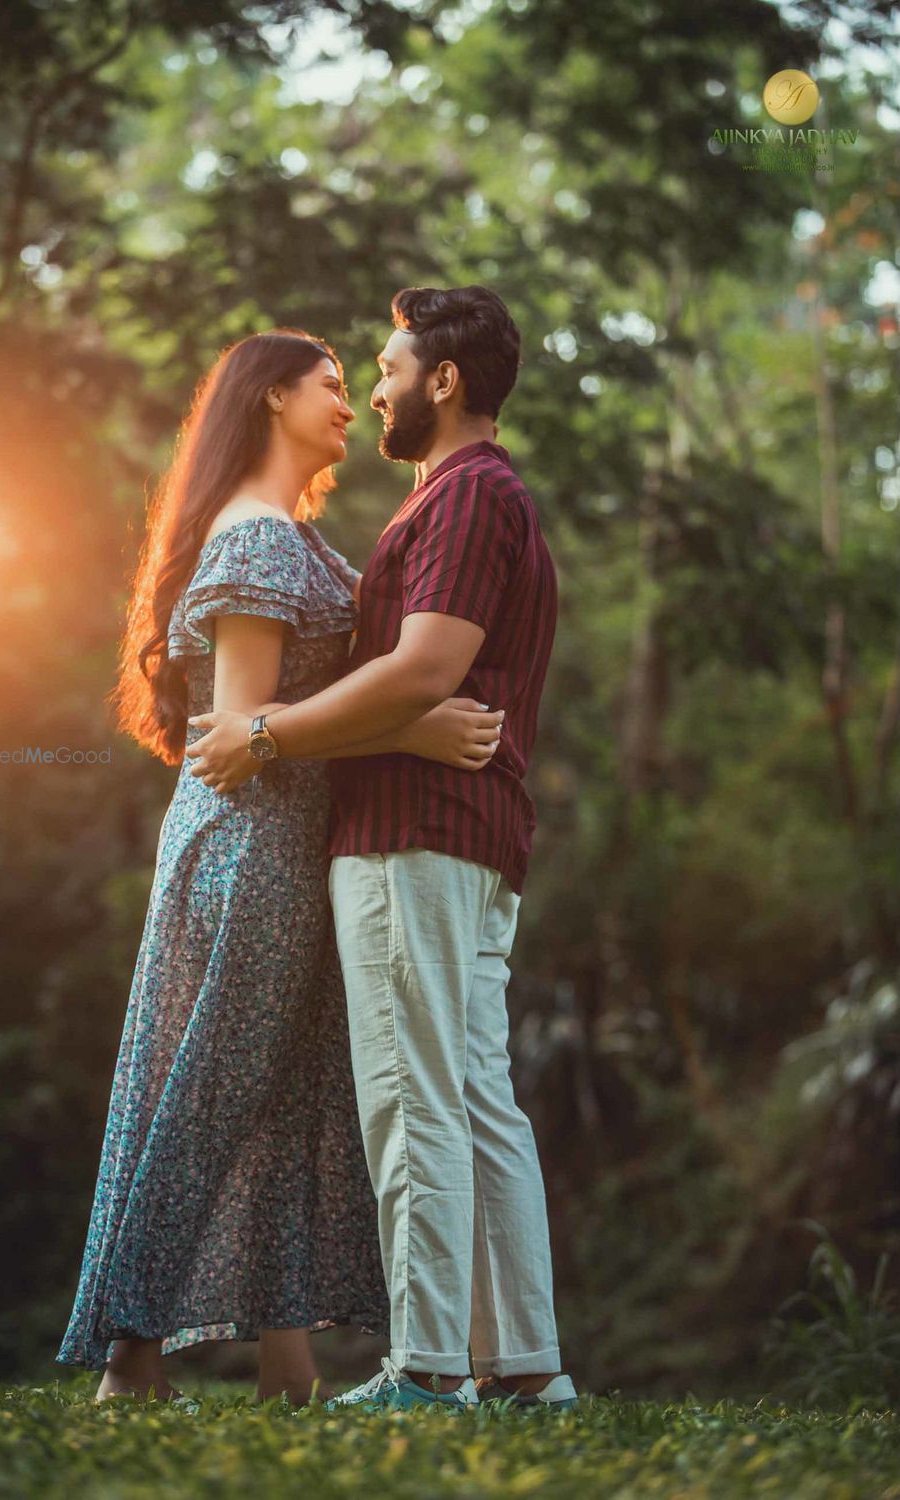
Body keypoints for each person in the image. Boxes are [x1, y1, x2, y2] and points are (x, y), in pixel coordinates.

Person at [54, 327, 504, 1406]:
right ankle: (130, 1359)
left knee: (290, 1096)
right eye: (331, 386)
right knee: (208, 1092)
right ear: (269, 401)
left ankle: (288, 1366)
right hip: (248, 844)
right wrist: (410, 732)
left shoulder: (292, 538)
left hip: (296, 845)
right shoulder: (255, 540)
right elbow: (246, 728)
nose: (350, 406)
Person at [187, 286, 579, 1414]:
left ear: (443, 380)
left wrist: (261, 733)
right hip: (465, 836)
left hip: (413, 834)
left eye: (391, 365)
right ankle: (525, 1367)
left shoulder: (463, 497)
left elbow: (420, 670)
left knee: (415, 1095)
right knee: (471, 1092)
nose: (381, 386)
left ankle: (424, 1369)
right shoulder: (474, 497)